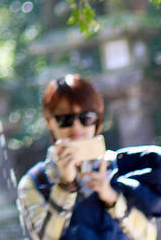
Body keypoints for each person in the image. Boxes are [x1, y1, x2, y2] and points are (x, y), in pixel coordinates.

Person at [18, 74, 161, 239]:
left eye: (86, 117)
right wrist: (66, 186)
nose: (76, 126)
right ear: (50, 121)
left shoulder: (122, 167)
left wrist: (111, 198)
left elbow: (148, 236)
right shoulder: (35, 181)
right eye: (65, 118)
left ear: (97, 120)